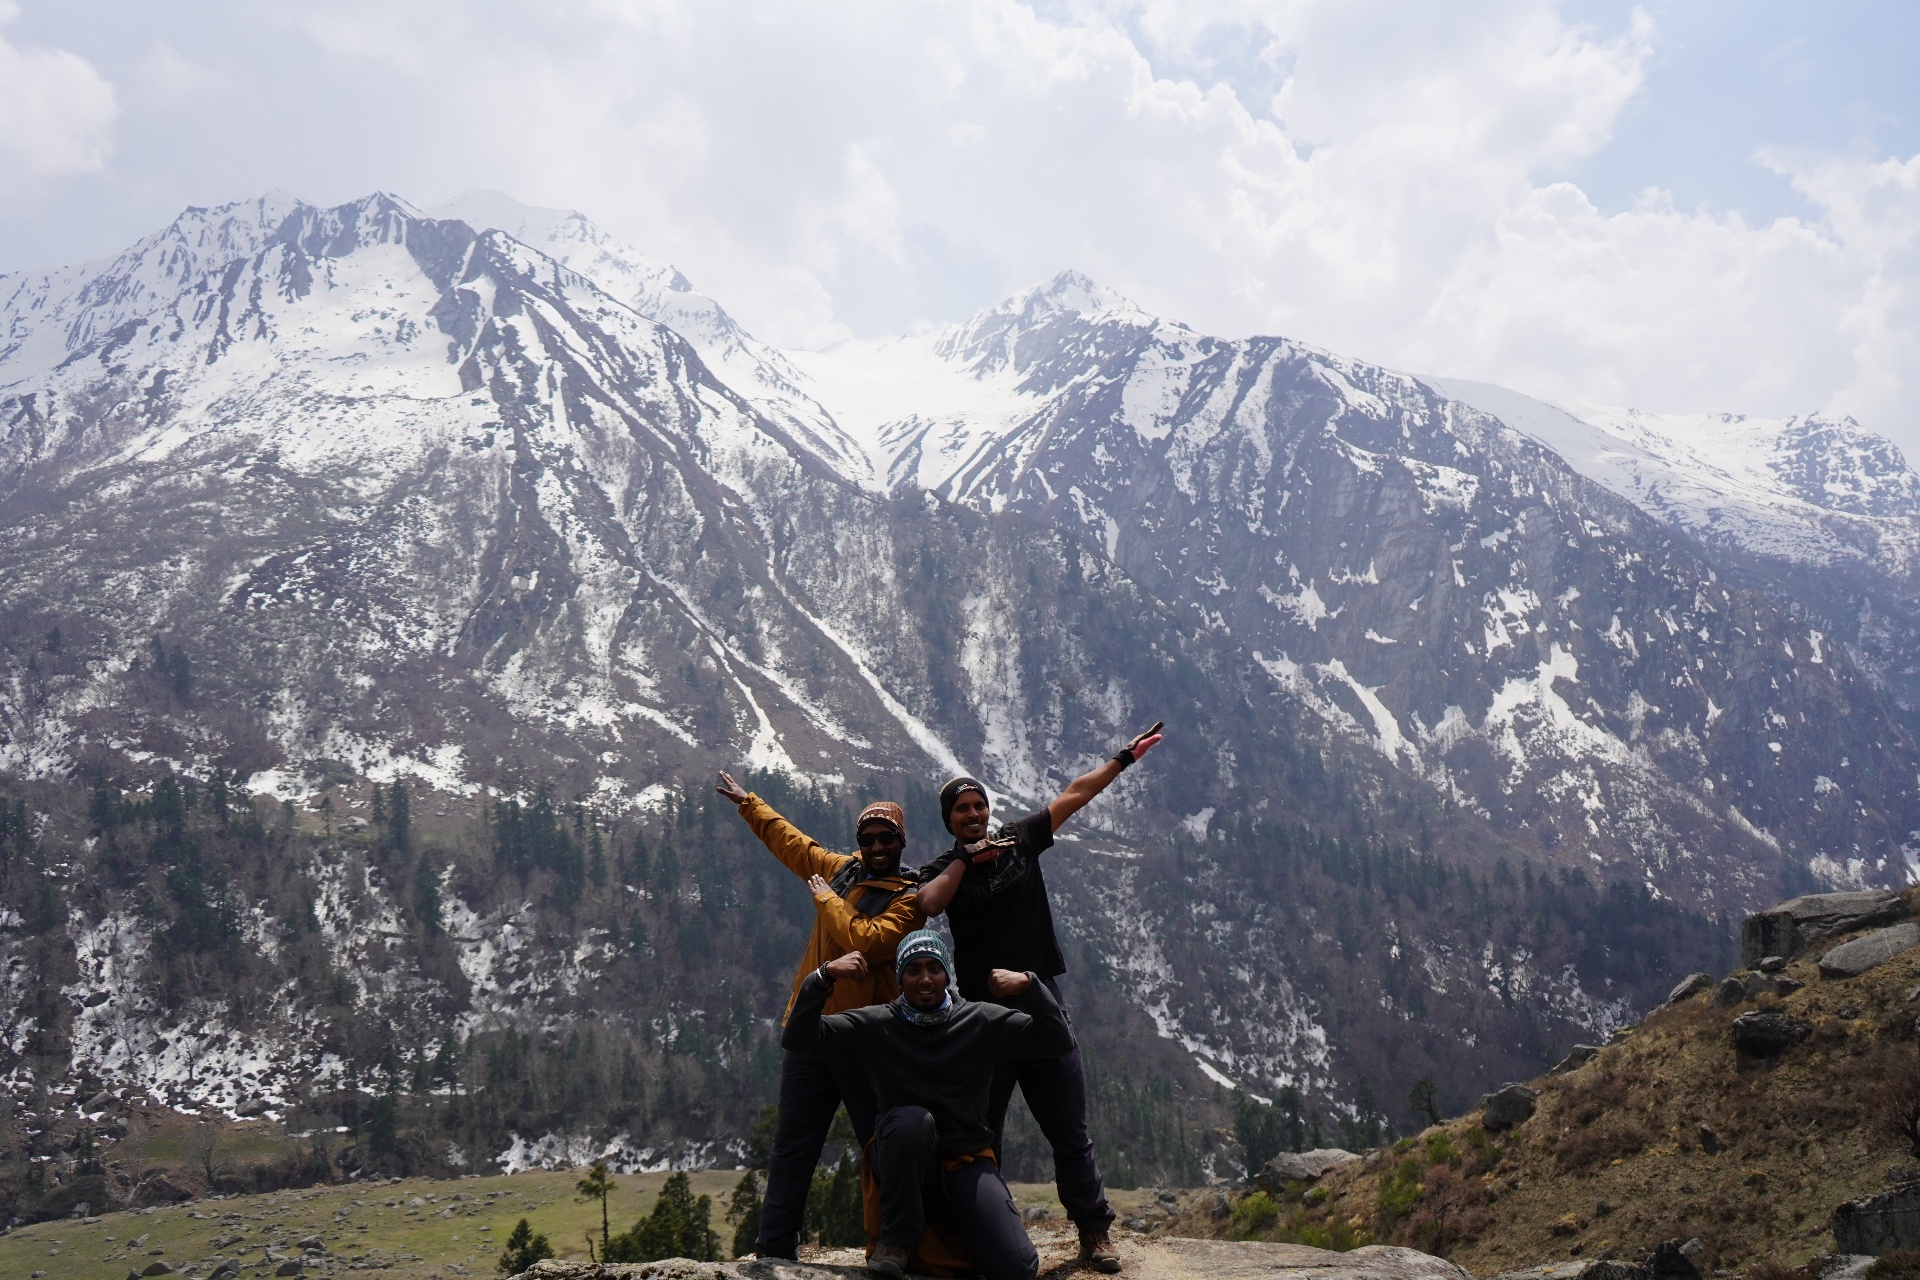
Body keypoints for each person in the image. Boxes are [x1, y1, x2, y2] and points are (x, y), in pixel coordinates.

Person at [916, 723, 1163, 1274]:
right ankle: (989, 1238)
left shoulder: (1022, 838)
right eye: (962, 811)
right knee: (981, 1134)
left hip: (1041, 1006)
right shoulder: (942, 868)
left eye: (979, 806)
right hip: (981, 1018)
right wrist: (965, 859)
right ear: (949, 822)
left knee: (1068, 1128)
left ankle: (1094, 1231)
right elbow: (930, 904)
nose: (974, 815)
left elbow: (1075, 794)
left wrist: (1122, 758)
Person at [714, 771, 965, 1261]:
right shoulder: (842, 870)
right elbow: (794, 844)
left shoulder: (910, 897)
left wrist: (826, 899)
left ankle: (893, 1244)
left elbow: (867, 941)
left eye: (885, 838)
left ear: (900, 841)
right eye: (867, 838)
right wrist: (751, 805)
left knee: (882, 1144)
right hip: (812, 1032)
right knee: (793, 1147)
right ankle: (775, 1249)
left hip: (865, 1040)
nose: (875, 846)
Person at [783, 930, 1073, 1280]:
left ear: (946, 975)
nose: (924, 979)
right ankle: (896, 1240)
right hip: (901, 1154)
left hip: (964, 1159)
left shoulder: (981, 1020)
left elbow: (1057, 1041)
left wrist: (1029, 985)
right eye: (913, 969)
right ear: (900, 978)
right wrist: (825, 975)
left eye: (933, 968)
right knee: (912, 1122)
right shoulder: (877, 1024)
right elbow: (799, 1037)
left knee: (1017, 1268)